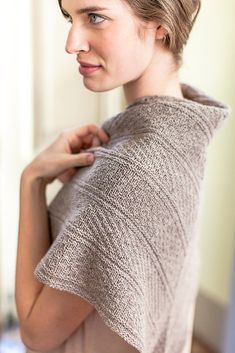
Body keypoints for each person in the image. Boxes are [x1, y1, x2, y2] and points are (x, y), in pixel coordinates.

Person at [14, 0, 231, 353]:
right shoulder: (182, 135)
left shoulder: (129, 178)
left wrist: (32, 181)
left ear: (160, 24)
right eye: (70, 18)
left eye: (95, 17)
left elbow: (36, 334)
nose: (72, 43)